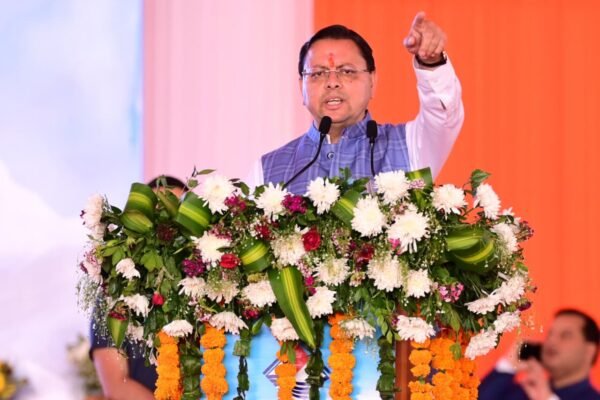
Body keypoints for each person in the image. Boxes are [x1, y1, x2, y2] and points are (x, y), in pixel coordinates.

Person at [256, 12, 463, 194]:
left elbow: (443, 115)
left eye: (347, 71)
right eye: (318, 73)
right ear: (301, 85)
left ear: (372, 80)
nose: (332, 82)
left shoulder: (411, 145)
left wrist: (431, 62)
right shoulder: (266, 172)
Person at [89, 176, 187, 400]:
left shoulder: (209, 285)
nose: (168, 224)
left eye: (179, 212)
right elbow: (117, 384)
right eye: (160, 212)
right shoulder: (113, 293)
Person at [479, 308, 600, 400]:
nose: (551, 341)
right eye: (550, 334)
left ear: (589, 351)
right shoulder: (525, 391)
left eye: (565, 335)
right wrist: (509, 365)